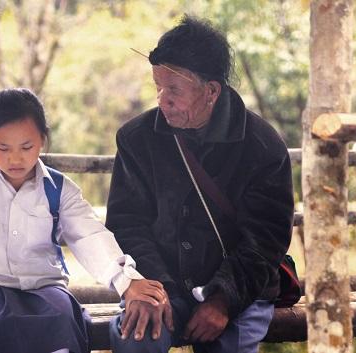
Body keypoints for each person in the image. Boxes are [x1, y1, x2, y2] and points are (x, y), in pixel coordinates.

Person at [106, 16, 294, 353]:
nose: (163, 99)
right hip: (160, 283)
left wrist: (222, 300)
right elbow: (127, 223)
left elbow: (264, 240)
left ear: (210, 91)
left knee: (228, 347)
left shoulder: (262, 146)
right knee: (136, 338)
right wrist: (154, 289)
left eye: (174, 89)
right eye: (157, 86)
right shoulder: (135, 139)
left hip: (239, 291)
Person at [0, 88, 166, 353]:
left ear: (42, 140)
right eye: (3, 148)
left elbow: (89, 235)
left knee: (63, 320)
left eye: (27, 147)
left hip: (47, 286)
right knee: (2, 323)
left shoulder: (58, 188)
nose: (16, 158)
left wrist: (126, 281)